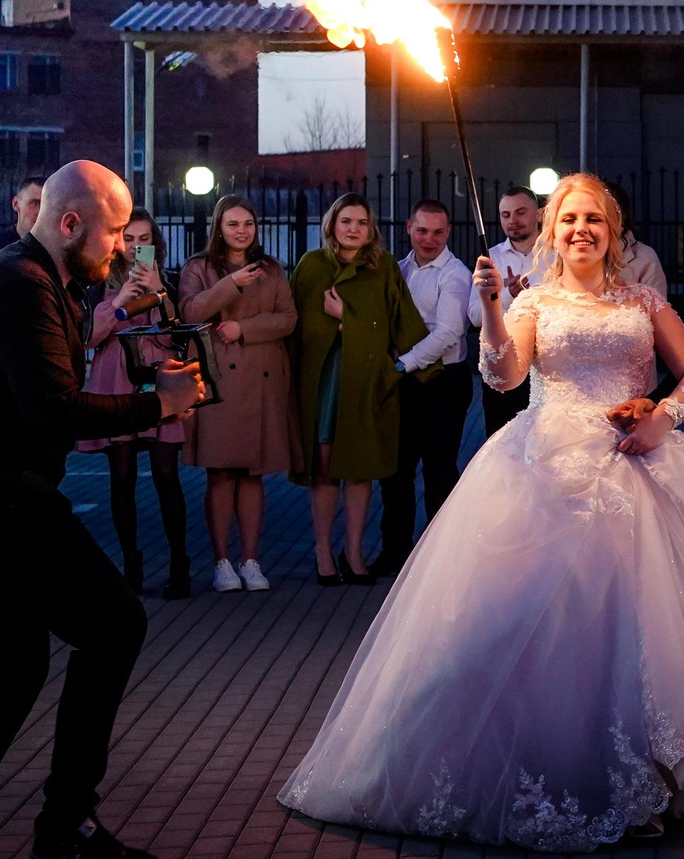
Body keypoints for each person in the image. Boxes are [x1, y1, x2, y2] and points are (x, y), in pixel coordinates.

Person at [278, 174, 684, 850]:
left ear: (613, 228)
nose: (581, 229)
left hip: (638, 460)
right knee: (531, 618)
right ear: (551, 230)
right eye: (569, 218)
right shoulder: (535, 301)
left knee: (647, 618)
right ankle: (551, 761)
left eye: (593, 218)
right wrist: (490, 309)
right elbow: (505, 375)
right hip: (546, 464)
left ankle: (656, 772)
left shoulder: (645, 298)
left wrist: (663, 414)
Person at [0, 161, 203, 859]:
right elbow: (55, 410)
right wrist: (155, 405)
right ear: (71, 224)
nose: (120, 253)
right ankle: (65, 825)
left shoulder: (45, 279)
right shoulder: (21, 284)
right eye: (111, 236)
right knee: (113, 624)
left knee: (13, 666)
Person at [290, 192, 424, 587]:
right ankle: (322, 552)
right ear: (332, 224)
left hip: (366, 379)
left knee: (361, 466)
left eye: (362, 223)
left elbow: (396, 322)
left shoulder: (382, 266)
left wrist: (345, 319)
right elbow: (298, 327)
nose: (353, 229)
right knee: (326, 463)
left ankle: (353, 552)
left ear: (371, 231)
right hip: (324, 378)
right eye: (346, 221)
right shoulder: (312, 266)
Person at [179, 195, 295, 592]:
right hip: (218, 379)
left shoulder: (272, 269)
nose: (242, 231)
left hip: (261, 379)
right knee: (221, 473)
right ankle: (221, 562)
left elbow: (288, 319)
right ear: (218, 228)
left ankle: (250, 558)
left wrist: (244, 328)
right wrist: (230, 284)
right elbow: (189, 312)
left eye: (248, 223)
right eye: (233, 224)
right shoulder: (199, 267)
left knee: (253, 474)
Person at [77, 208, 193, 599]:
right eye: (129, 239)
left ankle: (180, 564)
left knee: (166, 475)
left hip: (157, 379)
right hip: (115, 381)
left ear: (155, 244)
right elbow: (88, 338)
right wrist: (120, 303)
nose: (136, 247)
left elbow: (177, 337)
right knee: (122, 478)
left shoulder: (167, 282)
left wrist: (160, 295)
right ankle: (131, 564)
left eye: (144, 239)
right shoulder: (96, 283)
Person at [378, 200, 476, 577]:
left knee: (438, 472)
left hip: (441, 384)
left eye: (438, 232)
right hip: (402, 383)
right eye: (422, 230)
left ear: (448, 232)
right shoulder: (397, 270)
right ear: (408, 227)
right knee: (396, 472)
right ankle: (395, 554)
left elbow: (450, 331)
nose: (429, 239)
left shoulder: (455, 274)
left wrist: (404, 362)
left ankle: (438, 563)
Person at [480, 187, 550, 439]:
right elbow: (473, 315)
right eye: (506, 214)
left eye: (520, 212)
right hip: (504, 362)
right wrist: (506, 294)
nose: (513, 220)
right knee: (501, 445)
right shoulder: (490, 257)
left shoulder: (557, 255)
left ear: (538, 214)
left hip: (547, 367)